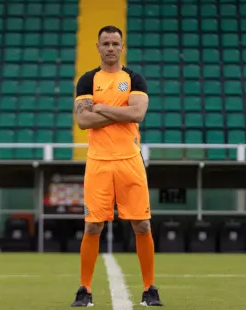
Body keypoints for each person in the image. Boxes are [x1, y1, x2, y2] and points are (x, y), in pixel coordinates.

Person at [70, 25, 164, 307]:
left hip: (130, 161)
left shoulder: (135, 79)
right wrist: (120, 114)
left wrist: (101, 108)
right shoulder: (87, 81)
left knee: (143, 224)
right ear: (98, 47)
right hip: (98, 163)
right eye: (105, 43)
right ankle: (84, 290)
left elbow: (138, 113)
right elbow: (83, 122)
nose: (110, 48)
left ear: (122, 46)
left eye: (115, 43)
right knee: (92, 227)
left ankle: (150, 289)